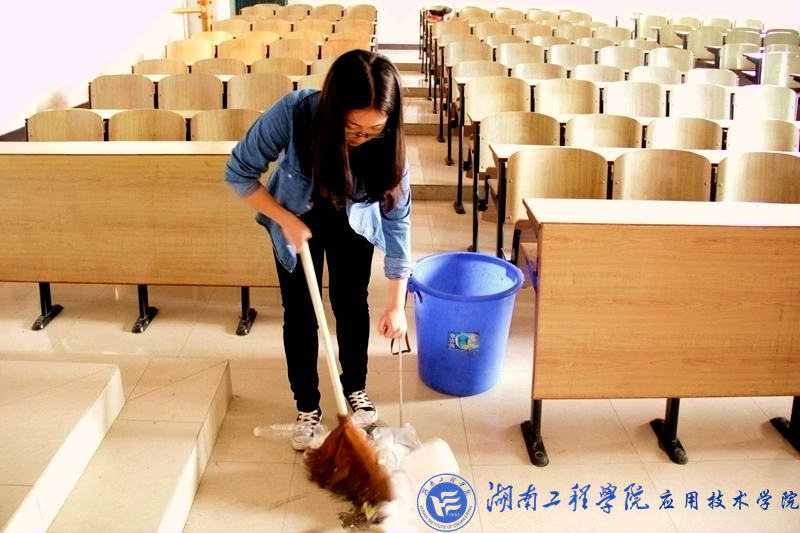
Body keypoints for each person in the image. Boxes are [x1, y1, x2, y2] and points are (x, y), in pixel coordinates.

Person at [225, 50, 413, 451]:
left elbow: (397, 220)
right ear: (332, 108)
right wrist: (284, 219)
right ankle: (307, 407)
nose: (361, 139)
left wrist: (397, 304)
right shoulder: (294, 114)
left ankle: (355, 389)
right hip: (296, 218)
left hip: (354, 222)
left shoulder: (387, 145)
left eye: (374, 130)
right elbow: (239, 172)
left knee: (351, 304)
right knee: (300, 313)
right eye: (352, 128)